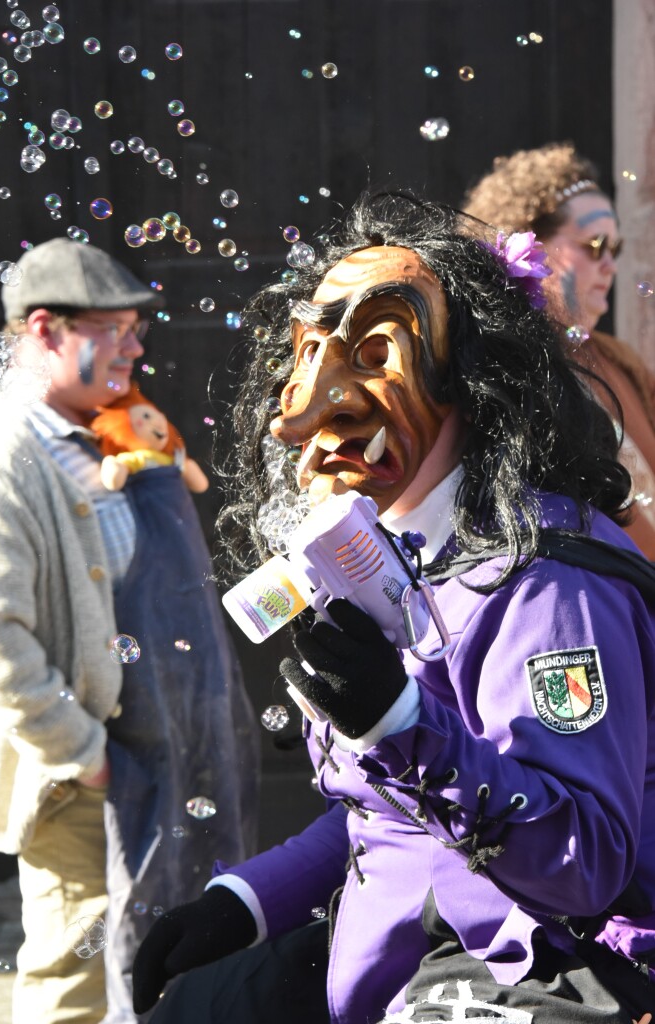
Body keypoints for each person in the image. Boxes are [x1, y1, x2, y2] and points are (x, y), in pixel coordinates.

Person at [131, 191, 655, 1024]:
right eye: (308, 352)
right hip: (380, 959)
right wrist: (246, 900)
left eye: (374, 350)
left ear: (471, 382)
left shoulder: (551, 582)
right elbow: (385, 818)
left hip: (530, 966)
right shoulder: (384, 551)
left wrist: (395, 718)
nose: (303, 408)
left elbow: (582, 860)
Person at [0, 237, 259, 1024]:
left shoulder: (104, 430)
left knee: (150, 971)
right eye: (114, 327)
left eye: (138, 327)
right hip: (75, 783)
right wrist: (86, 758)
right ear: (42, 332)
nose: (137, 345)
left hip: (150, 764)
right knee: (76, 985)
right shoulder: (4, 453)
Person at [463, 141, 655, 559]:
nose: (611, 265)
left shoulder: (619, 361)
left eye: (615, 250)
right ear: (531, 244)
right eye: (594, 245)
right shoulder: (501, 374)